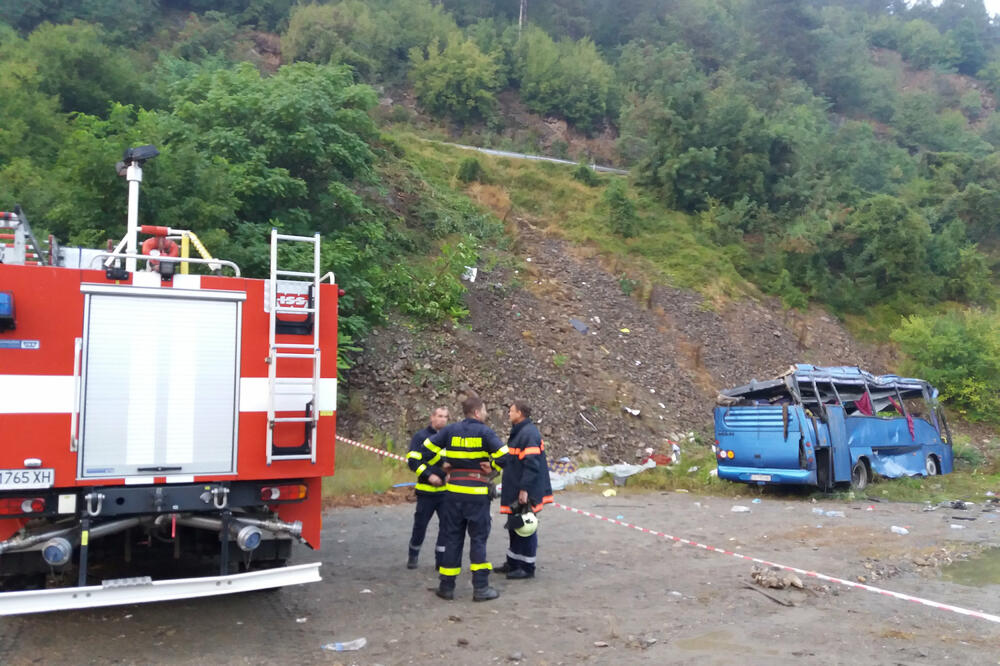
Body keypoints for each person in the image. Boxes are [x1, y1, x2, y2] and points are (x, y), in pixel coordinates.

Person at [414, 394, 509, 601]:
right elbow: (505, 455)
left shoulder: (450, 430)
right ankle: (481, 588)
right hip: (476, 495)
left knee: (452, 539)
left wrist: (444, 463)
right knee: (478, 541)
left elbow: (425, 450)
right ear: (476, 412)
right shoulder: (485, 432)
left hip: (453, 494)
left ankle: (446, 587)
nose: (485, 413)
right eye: (484, 410)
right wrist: (491, 466)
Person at [498, 400, 553, 580]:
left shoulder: (528, 434)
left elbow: (531, 465)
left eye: (511, 411)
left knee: (526, 527)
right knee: (515, 526)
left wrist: (524, 490)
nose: (508, 414)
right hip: (515, 488)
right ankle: (513, 562)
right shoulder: (519, 432)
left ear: (520, 413)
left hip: (524, 491)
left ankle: (527, 567)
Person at [405, 406, 450, 570]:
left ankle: (441, 559)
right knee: (420, 525)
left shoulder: (449, 438)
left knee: (446, 526)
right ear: (432, 417)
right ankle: (413, 554)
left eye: (445, 417)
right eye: (439, 416)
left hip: (445, 493)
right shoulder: (420, 437)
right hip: (426, 491)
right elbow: (413, 461)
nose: (442, 419)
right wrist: (429, 475)